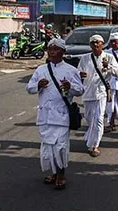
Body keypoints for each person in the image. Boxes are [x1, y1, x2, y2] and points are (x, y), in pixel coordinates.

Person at [26, 38, 84, 190]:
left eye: (55, 48)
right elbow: (29, 87)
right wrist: (38, 85)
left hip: (62, 115)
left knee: (60, 146)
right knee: (48, 147)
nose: (51, 51)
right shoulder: (41, 69)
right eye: (50, 48)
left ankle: (61, 174)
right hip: (45, 115)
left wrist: (70, 87)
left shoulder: (71, 70)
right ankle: (53, 172)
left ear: (63, 52)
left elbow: (80, 90)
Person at [77, 35, 118, 157]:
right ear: (90, 45)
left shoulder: (109, 57)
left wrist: (108, 67)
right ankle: (92, 137)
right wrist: (81, 74)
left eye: (98, 43)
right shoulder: (85, 58)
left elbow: (117, 72)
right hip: (88, 92)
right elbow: (77, 72)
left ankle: (94, 145)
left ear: (102, 44)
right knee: (90, 118)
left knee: (99, 119)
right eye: (93, 43)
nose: (96, 45)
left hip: (101, 92)